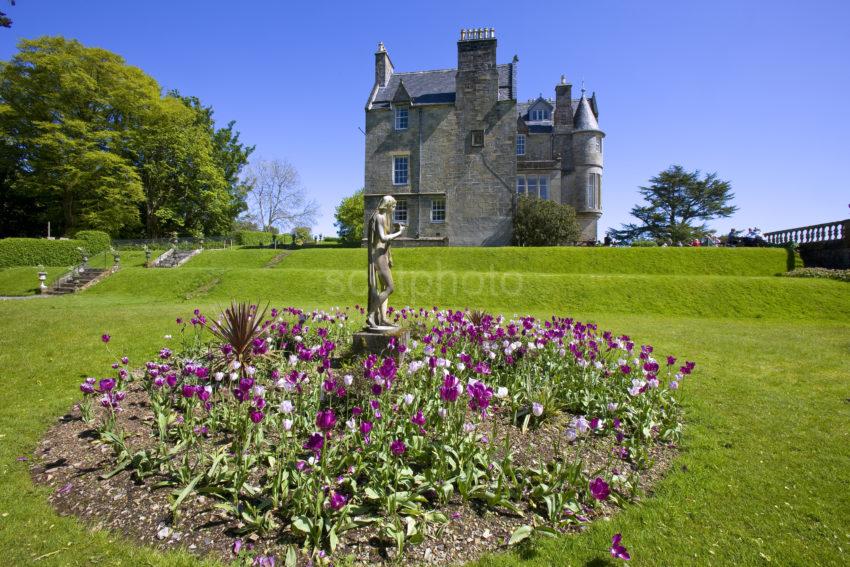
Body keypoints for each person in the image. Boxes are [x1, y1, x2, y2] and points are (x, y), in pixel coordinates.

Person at [366, 196, 406, 329]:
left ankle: (383, 318)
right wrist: (399, 233)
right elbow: (383, 238)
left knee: (385, 288)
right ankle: (371, 315)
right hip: (379, 256)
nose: (394, 209)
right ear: (387, 205)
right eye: (393, 206)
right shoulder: (380, 217)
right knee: (390, 288)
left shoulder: (382, 217)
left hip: (382, 255)